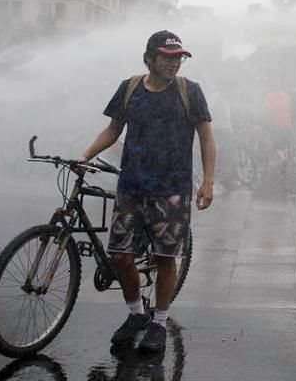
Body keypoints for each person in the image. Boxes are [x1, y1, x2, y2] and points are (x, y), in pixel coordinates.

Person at [80, 30, 215, 353]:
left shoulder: (190, 92)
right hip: (131, 188)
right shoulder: (129, 89)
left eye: (178, 57)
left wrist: (208, 181)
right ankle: (137, 313)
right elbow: (113, 130)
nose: (174, 63)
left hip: (171, 190)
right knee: (120, 257)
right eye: (168, 57)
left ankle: (159, 321)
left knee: (164, 258)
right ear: (150, 58)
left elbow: (207, 138)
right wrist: (85, 156)